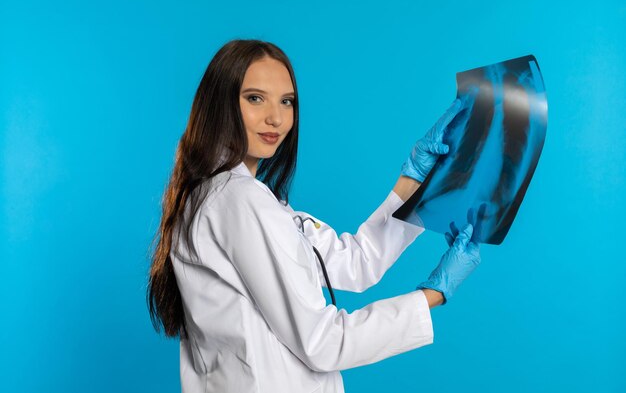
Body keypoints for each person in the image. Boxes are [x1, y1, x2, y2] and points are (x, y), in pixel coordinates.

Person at [147, 39, 481, 393]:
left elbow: (354, 263)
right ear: (221, 103)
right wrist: (432, 295)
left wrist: (414, 180)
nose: (275, 117)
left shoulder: (228, 196)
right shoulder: (237, 199)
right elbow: (322, 344)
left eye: (286, 101)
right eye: (255, 98)